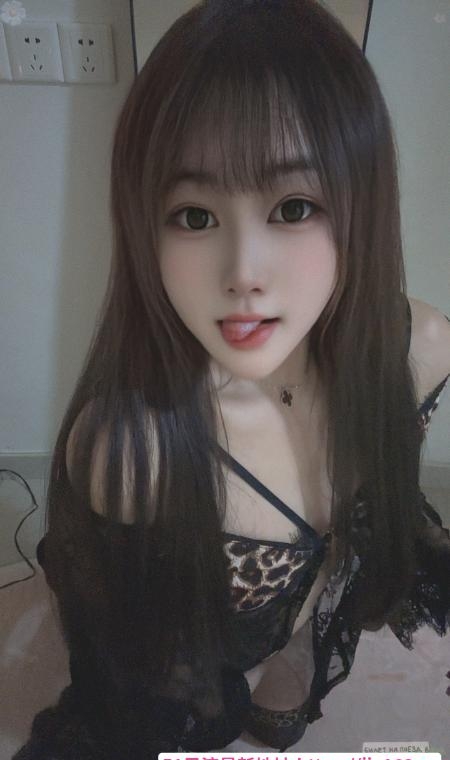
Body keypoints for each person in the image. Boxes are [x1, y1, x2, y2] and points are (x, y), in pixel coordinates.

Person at [13, 0, 450, 757]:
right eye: (194, 216)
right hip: (204, 672)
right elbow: (132, 681)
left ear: (362, 202)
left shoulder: (423, 347)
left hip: (303, 654)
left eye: (294, 206)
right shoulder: (134, 450)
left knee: (289, 708)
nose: (243, 273)